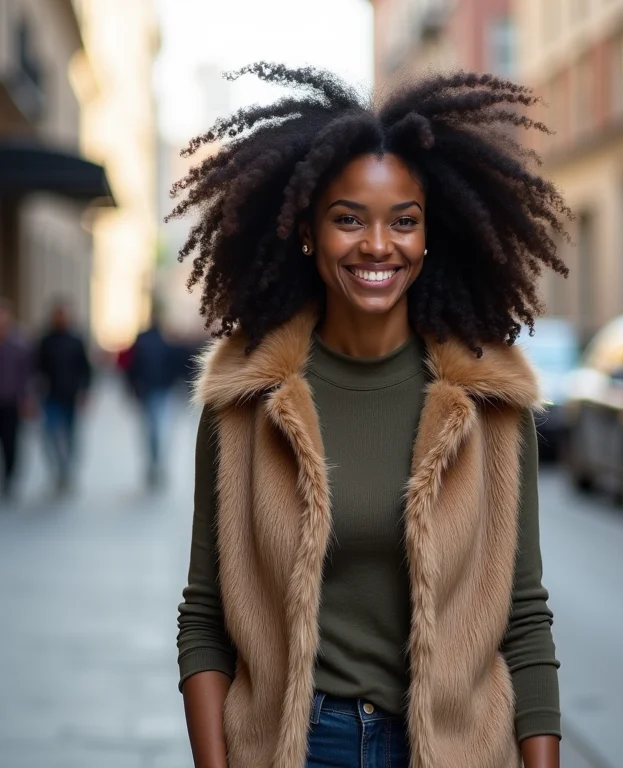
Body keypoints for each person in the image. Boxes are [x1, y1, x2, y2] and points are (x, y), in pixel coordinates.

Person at [173, 64, 570, 768]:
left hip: (456, 749)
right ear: (306, 230)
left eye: (404, 222)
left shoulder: (491, 402)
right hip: (297, 748)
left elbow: (525, 619)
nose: (378, 245)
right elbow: (206, 616)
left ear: (429, 235)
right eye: (348, 218)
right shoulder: (244, 398)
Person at [36, 300, 92, 492]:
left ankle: (68, 469)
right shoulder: (46, 341)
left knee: (71, 435)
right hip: (51, 397)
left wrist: (85, 392)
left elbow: (86, 369)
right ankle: (59, 468)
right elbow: (37, 368)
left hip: (71, 396)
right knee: (50, 435)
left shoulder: (76, 340)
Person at [126, 306, 180, 487]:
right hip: (159, 390)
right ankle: (156, 464)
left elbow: (131, 367)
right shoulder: (165, 340)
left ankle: (154, 464)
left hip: (151, 390)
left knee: (152, 429)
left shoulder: (142, 340)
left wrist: (132, 387)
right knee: (158, 428)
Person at [0, 299, 33, 502]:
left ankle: (9, 480)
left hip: (11, 402)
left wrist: (27, 399)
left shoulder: (19, 343)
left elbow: (27, 374)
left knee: (11, 444)